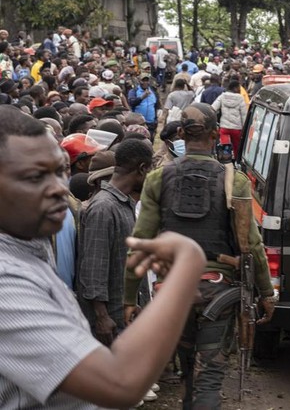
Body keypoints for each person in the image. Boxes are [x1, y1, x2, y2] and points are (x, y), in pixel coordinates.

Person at [0, 105, 207, 408]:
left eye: (61, 171)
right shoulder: (6, 284)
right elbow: (121, 382)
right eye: (34, 177)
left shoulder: (32, 245)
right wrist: (188, 265)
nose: (58, 188)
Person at [123, 104, 276, 408]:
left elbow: (140, 243)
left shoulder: (157, 179)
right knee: (209, 377)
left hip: (172, 293)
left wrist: (129, 298)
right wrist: (266, 293)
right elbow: (252, 246)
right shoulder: (236, 182)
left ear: (180, 133)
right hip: (217, 291)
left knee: (189, 371)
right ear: (216, 134)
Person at [78, 139, 153, 347]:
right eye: (150, 170)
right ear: (141, 169)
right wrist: (102, 317)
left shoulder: (124, 204)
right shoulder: (104, 208)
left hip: (125, 317)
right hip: (111, 321)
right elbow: (93, 269)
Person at [212, 80, 248, 155]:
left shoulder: (222, 96)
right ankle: (236, 162)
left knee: (225, 147)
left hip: (224, 128)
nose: (239, 89)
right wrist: (244, 129)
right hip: (237, 129)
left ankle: (226, 162)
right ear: (234, 88)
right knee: (237, 148)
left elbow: (213, 108)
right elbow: (244, 115)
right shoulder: (240, 98)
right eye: (239, 88)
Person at [127, 73, 160, 138]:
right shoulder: (134, 91)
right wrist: (142, 97)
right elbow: (131, 102)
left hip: (151, 123)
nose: (145, 82)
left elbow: (155, 106)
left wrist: (156, 121)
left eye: (147, 81)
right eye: (143, 80)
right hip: (138, 124)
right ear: (139, 81)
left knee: (150, 142)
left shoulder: (153, 91)